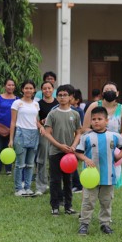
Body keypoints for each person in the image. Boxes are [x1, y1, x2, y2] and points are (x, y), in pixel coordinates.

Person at [75, 106, 122, 235]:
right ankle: (84, 223)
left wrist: (118, 157)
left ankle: (105, 223)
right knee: (88, 201)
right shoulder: (86, 137)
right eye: (93, 119)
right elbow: (78, 152)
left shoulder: (114, 136)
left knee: (106, 201)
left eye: (99, 119)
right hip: (91, 177)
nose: (96, 122)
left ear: (106, 121)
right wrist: (86, 159)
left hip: (108, 176)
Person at [83, 82, 122, 188]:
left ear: (117, 93)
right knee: (92, 180)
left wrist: (115, 140)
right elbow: (85, 128)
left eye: (112, 90)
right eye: (106, 90)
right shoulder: (94, 106)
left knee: (109, 181)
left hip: (113, 147)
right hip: (94, 147)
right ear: (102, 93)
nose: (109, 92)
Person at [44, 84, 82, 216]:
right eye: (59, 95)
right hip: (55, 152)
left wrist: (73, 146)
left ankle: (68, 206)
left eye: (65, 95)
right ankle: (55, 206)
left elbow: (78, 133)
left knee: (68, 180)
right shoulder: (53, 114)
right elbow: (47, 133)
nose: (62, 97)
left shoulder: (75, 114)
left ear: (71, 97)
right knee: (55, 180)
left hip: (69, 154)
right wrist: (60, 146)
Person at [9, 80, 44, 196]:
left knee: (30, 164)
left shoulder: (36, 104)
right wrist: (11, 139)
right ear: (22, 89)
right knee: (20, 164)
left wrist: (41, 127)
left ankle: (28, 187)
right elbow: (13, 122)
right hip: (20, 133)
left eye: (31, 88)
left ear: (34, 90)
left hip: (34, 134)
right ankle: (18, 188)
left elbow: (36, 120)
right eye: (26, 88)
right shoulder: (17, 103)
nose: (28, 90)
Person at [36, 81, 59, 194]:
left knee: (55, 160)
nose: (47, 90)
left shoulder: (58, 103)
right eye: (44, 89)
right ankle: (41, 185)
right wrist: (41, 124)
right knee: (42, 160)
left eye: (49, 88)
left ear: (53, 89)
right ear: (41, 91)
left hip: (56, 135)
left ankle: (54, 184)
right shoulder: (38, 104)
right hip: (44, 134)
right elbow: (36, 120)